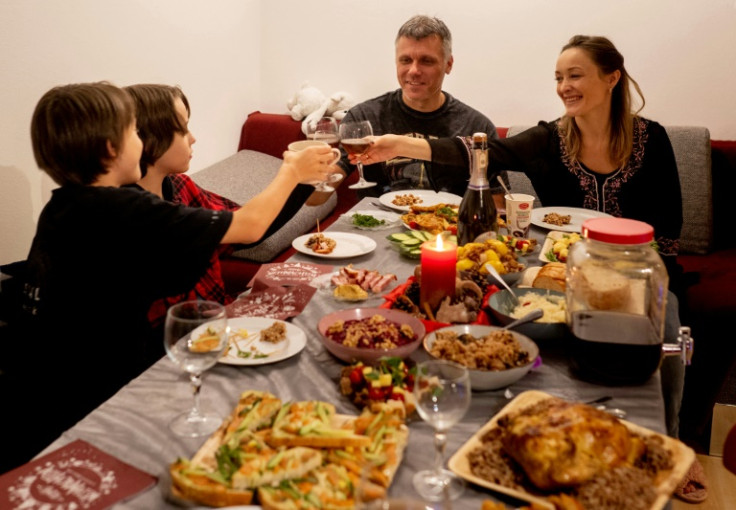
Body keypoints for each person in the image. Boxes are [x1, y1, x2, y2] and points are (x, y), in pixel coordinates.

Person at [361, 35, 686, 439]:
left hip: (635, 273)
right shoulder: (550, 138)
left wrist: (650, 281)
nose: (564, 86)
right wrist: (399, 144)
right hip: (562, 270)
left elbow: (670, 231)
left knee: (668, 319)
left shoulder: (652, 140)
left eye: (575, 75)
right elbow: (480, 153)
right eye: (558, 77)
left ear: (611, 78)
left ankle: (671, 434)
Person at [5, 81, 331, 470]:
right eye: (132, 132)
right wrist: (291, 171)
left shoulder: (64, 208)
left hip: (45, 391)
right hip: (94, 402)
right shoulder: (121, 209)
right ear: (112, 147)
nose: (139, 140)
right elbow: (247, 226)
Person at [336, 14, 507, 206]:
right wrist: (308, 168)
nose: (414, 70)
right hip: (376, 229)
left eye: (426, 61)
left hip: (448, 230)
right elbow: (318, 196)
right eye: (406, 60)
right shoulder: (364, 118)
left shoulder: (477, 127)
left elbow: (497, 206)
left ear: (448, 64)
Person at [124, 84, 239, 340]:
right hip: (171, 347)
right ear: (150, 137)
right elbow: (250, 225)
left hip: (215, 327)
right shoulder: (129, 212)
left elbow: (242, 227)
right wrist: (293, 174)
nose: (193, 137)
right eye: (183, 127)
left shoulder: (179, 185)